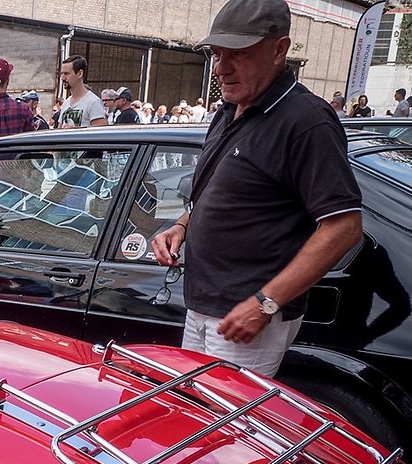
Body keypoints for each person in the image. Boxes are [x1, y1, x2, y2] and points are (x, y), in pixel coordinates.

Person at [151, 0, 362, 377]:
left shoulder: (306, 120)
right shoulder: (230, 108)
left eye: (238, 54)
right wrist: (181, 226)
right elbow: (220, 193)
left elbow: (343, 227)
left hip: (248, 318)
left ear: (280, 50)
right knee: (198, 420)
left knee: (229, 430)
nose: (222, 68)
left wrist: (266, 303)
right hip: (205, 305)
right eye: (217, 54)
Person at [57, 55, 108, 128]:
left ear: (80, 74)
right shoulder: (66, 103)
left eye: (66, 73)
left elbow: (101, 136)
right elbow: (59, 132)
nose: (62, 78)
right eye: (62, 73)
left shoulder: (93, 102)